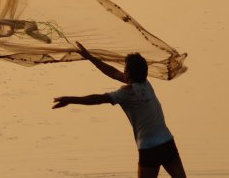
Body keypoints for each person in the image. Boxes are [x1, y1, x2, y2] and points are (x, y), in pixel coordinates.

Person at [53, 42, 186, 178]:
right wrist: (89, 57)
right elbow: (112, 72)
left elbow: (98, 99)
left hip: (149, 148)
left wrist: (70, 99)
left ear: (128, 74)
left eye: (125, 69)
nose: (122, 71)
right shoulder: (146, 84)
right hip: (167, 142)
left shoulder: (126, 93)